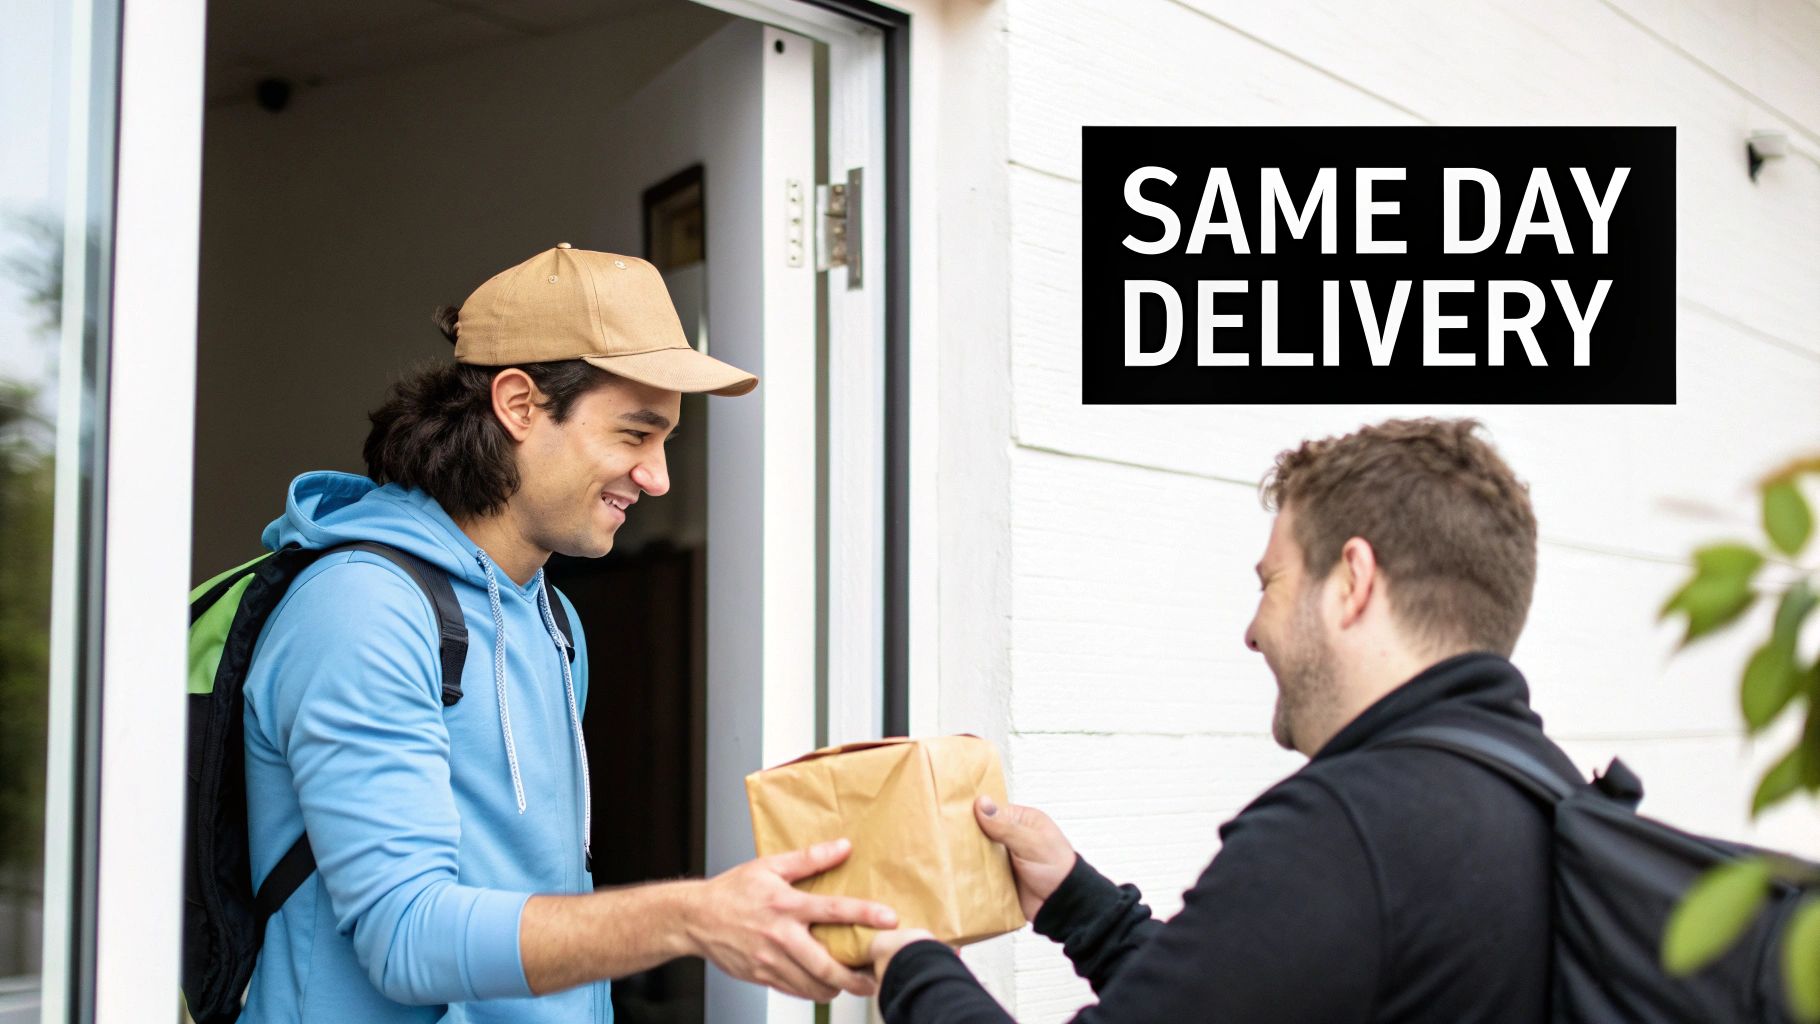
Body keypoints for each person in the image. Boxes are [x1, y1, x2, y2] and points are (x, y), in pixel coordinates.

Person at [240, 245, 898, 1022]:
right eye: (633, 434)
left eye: (665, 442)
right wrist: (694, 916)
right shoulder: (361, 610)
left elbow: (548, 902)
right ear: (518, 404)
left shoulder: (552, 619)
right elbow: (405, 935)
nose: (657, 478)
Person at [868, 417, 1578, 1023]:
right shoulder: (1541, 792)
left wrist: (911, 961)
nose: (1252, 630)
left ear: (1353, 583)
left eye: (1270, 582)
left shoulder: (1352, 829)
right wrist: (1084, 905)